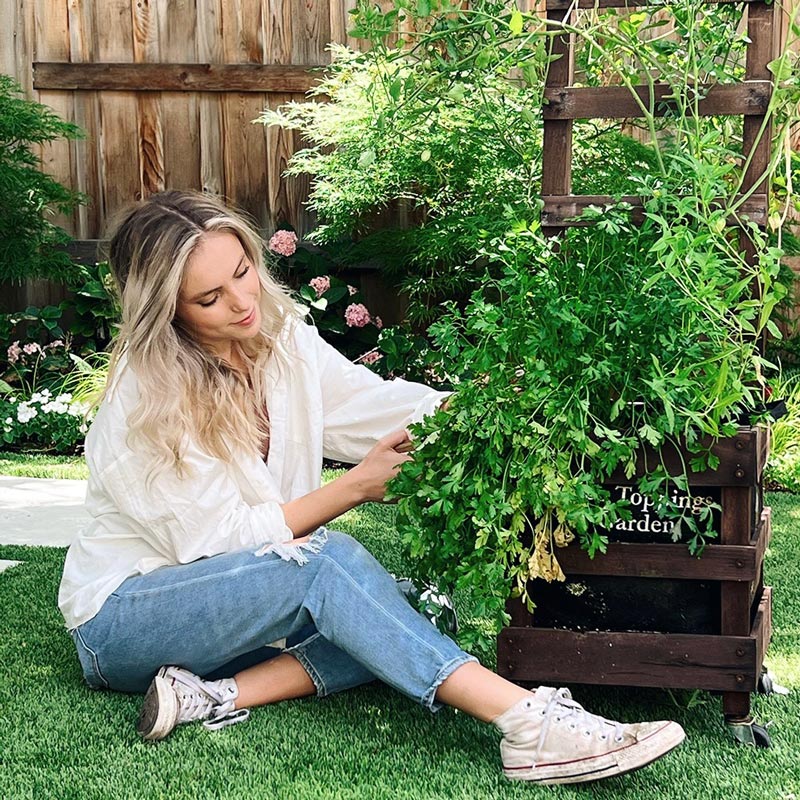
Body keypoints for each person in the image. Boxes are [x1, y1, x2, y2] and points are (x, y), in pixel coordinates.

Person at [58, 190, 685, 786]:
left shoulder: (281, 346)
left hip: (232, 625)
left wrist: (488, 410)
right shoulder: (144, 405)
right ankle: (527, 724)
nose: (242, 301)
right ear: (166, 312)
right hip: (125, 621)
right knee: (324, 564)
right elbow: (217, 545)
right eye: (209, 298)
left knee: (414, 605)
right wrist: (353, 489)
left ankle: (211, 695)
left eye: (244, 271)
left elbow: (375, 408)